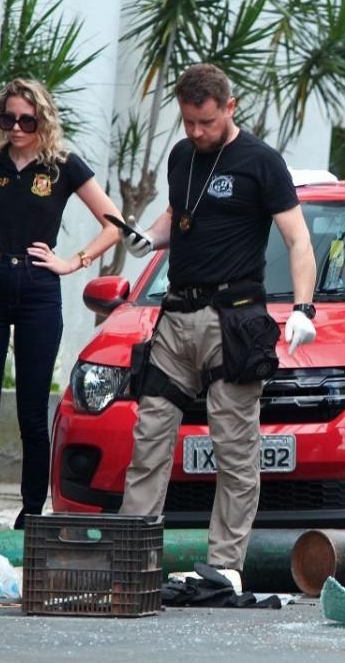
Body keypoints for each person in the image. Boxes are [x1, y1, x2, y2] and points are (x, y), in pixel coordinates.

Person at [117, 64, 317, 588]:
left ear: (230, 108)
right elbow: (177, 213)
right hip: (176, 318)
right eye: (188, 122)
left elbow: (298, 240)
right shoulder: (182, 155)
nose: (196, 133)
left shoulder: (261, 162)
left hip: (233, 320)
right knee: (150, 435)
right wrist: (150, 238)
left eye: (205, 122)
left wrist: (303, 308)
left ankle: (226, 564)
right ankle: (132, 551)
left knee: (234, 448)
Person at [0, 79, 124, 529]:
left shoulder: (63, 165)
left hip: (38, 287)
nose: (16, 128)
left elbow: (113, 224)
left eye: (26, 120)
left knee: (33, 406)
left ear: (42, 120)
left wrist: (73, 261)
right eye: (8, 119)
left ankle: (32, 509)